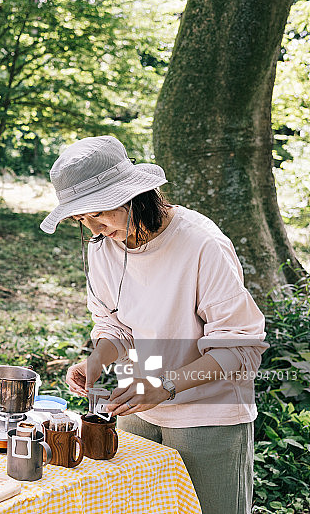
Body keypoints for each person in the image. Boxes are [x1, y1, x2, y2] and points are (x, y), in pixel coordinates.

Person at [39, 135, 267, 514]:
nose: (94, 229)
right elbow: (115, 326)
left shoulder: (202, 244)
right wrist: (97, 358)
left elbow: (240, 348)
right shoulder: (103, 248)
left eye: (99, 212)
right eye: (81, 219)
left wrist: (166, 386)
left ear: (133, 195)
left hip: (207, 416)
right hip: (137, 407)